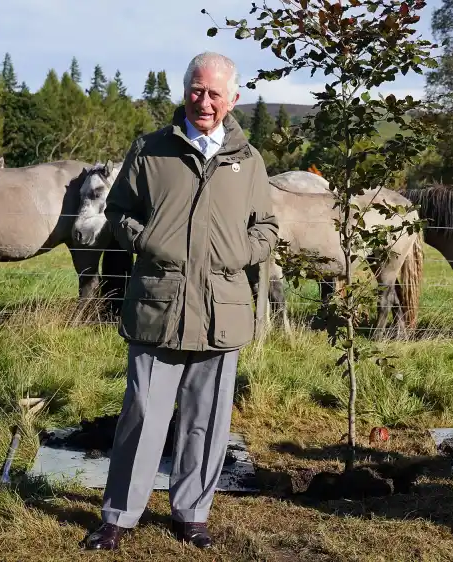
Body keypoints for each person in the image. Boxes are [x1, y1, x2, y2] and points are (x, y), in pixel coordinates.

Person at [82, 51, 278, 551]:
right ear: (184, 90)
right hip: (159, 304)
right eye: (196, 89)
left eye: (215, 93)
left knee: (207, 418)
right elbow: (119, 210)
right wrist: (146, 240)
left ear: (233, 99)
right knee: (143, 412)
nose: (204, 101)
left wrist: (240, 251)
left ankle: (193, 513)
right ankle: (120, 516)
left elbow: (267, 228)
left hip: (222, 309)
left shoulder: (249, 161)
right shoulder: (150, 150)